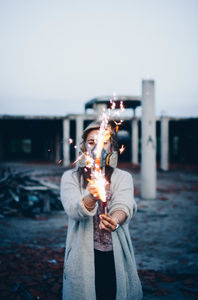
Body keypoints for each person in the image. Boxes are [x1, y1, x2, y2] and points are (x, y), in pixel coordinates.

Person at [60, 121, 143, 300]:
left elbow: (125, 204)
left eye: (103, 141)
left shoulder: (122, 177)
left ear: (112, 147)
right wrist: (91, 198)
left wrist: (116, 219)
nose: (97, 147)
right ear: (83, 147)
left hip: (116, 253)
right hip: (82, 254)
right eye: (91, 142)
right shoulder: (71, 178)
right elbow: (73, 209)